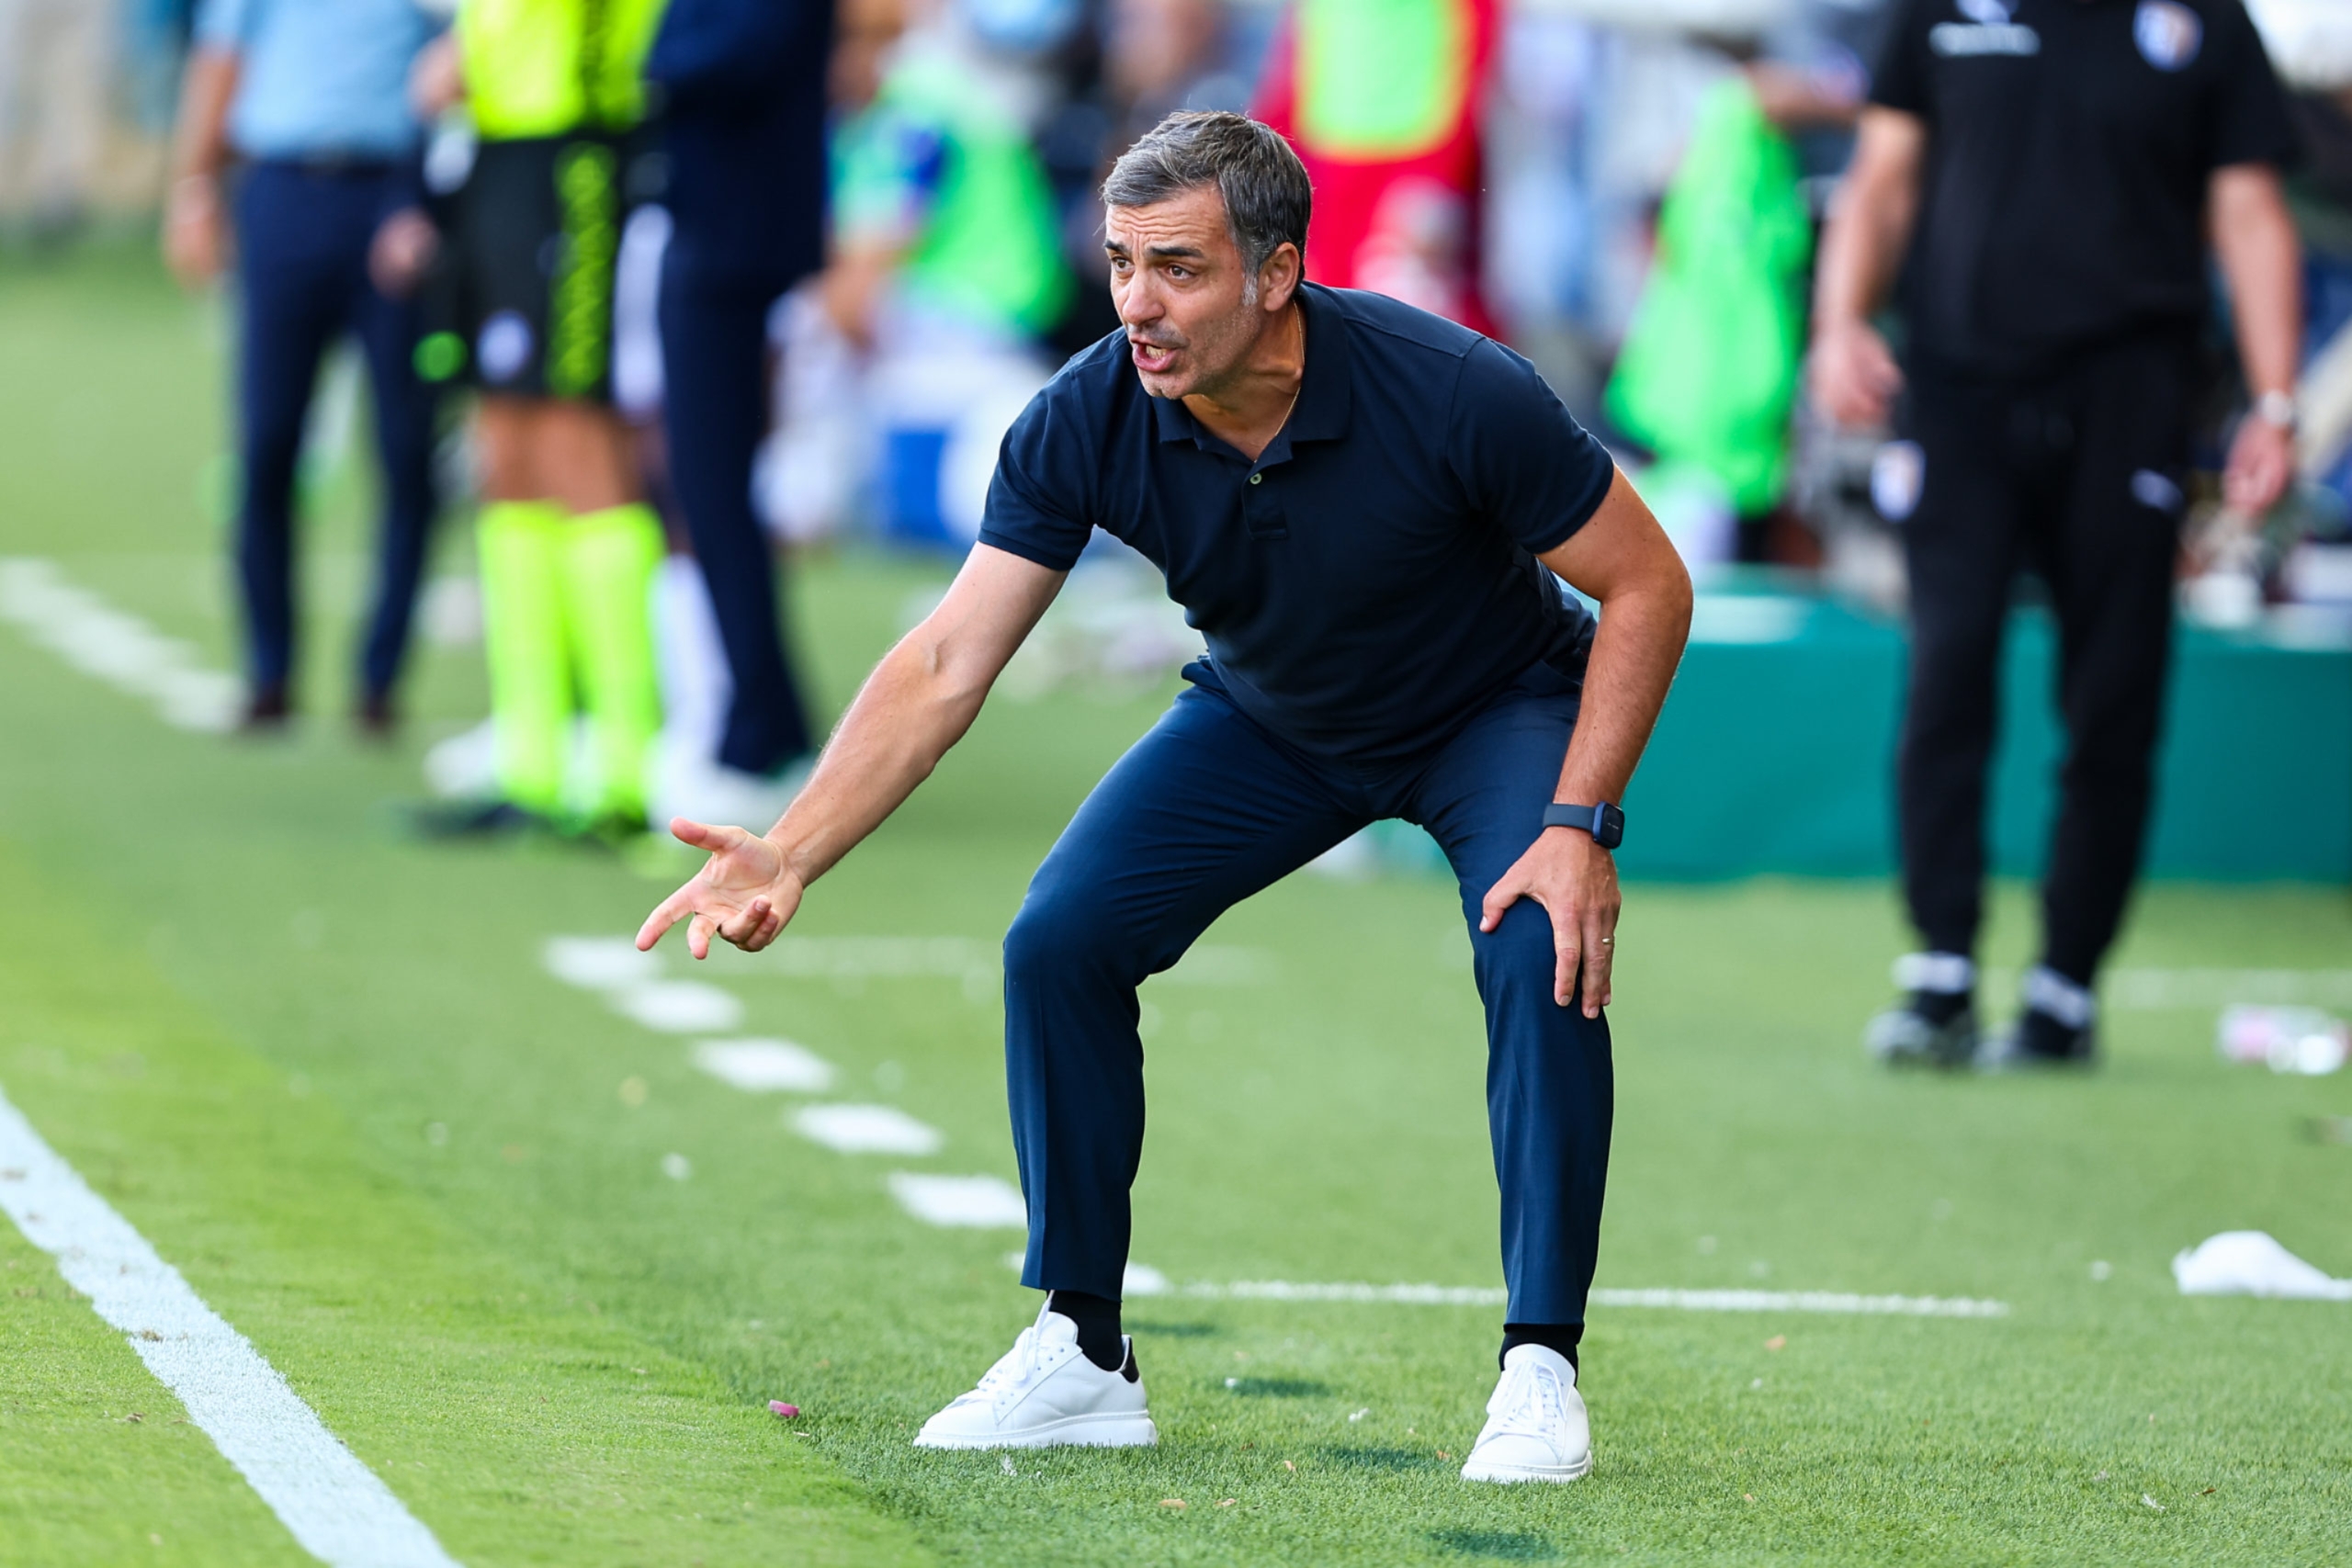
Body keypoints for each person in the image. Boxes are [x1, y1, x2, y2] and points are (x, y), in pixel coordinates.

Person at [638, 112, 1692, 1480]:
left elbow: (1649, 583)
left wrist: (1579, 824)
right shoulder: (1087, 411)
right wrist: (790, 848)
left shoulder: (1453, 384)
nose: (1140, 300)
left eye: (1181, 267)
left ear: (1277, 273)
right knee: (1061, 938)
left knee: (1535, 939)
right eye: (1125, 261)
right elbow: (951, 655)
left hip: (1494, 707)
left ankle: (1539, 1365)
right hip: (1275, 712)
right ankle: (1082, 1350)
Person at [1812, 0, 2304, 1068]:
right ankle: (1941, 965)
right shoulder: (1941, 12)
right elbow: (1883, 175)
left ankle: (2065, 986)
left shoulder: (2201, 22)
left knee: (2114, 691)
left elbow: (2250, 210)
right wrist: (1839, 321)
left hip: (2130, 388)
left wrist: (2272, 402)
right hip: (1958, 387)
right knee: (1947, 670)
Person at [408, 0, 669, 836]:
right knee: (506, 452)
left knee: (576, 440)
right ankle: (534, 762)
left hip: (577, 153)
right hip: (501, 149)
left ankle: (626, 770)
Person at [164, 0, 443, 732]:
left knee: (406, 448)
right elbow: (221, 59)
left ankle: (380, 680)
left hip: (393, 196)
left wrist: (429, 199)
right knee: (266, 442)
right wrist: (192, 189)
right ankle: (269, 670)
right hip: (283, 190)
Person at [641, 0, 833, 823]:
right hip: (717, 227)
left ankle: (758, 730)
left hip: (738, 239)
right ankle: (764, 718)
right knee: (707, 487)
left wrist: (652, 62)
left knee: (713, 488)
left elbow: (697, 60)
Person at [1252, 0, 1499, 332]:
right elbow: (1307, 32)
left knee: (1415, 318)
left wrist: (1444, 168)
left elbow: (1481, 24)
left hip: (1416, 148)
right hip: (1326, 151)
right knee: (1321, 309)